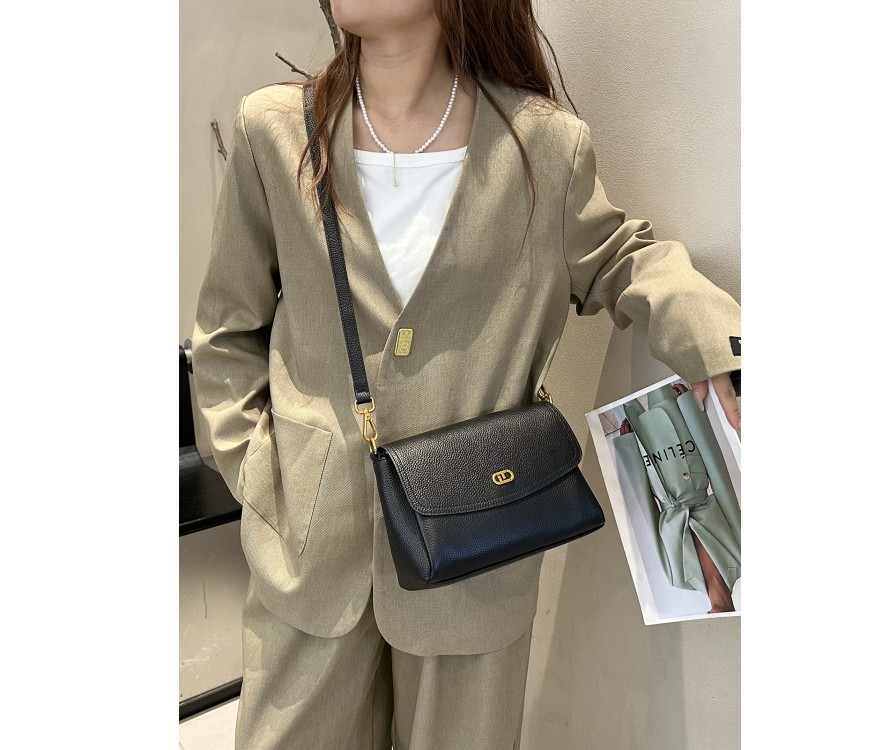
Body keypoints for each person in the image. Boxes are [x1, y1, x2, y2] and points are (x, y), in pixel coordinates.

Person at [190, 1, 741, 748]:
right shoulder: (277, 129)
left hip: (477, 554)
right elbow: (227, 331)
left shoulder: (542, 145)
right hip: (310, 551)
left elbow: (622, 257)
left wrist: (718, 344)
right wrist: (263, 475)